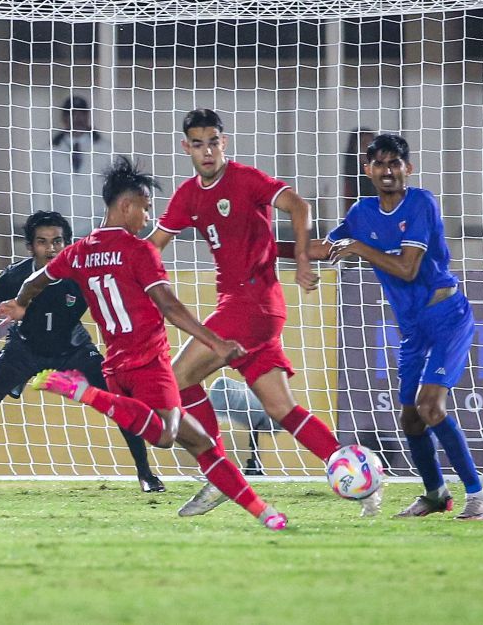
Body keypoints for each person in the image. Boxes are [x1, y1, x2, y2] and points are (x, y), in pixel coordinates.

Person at [0, 156, 288, 531]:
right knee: (167, 435)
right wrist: (216, 342)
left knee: (200, 443)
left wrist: (21, 303)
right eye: (146, 209)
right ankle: (83, 392)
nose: (149, 219)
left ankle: (267, 514)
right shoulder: (139, 251)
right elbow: (169, 306)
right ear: (127, 205)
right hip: (149, 365)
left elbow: (36, 279)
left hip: (116, 369)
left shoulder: (79, 251)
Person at [147, 109, 381, 517]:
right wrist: (117, 261)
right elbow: (155, 244)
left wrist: (305, 258)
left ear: (225, 142)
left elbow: (299, 205)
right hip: (249, 309)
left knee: (176, 378)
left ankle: (218, 476)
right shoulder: (187, 194)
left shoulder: (246, 179)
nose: (207, 151)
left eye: (214, 142)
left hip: (251, 303)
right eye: (198, 144)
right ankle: (365, 483)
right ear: (186, 147)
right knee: (281, 409)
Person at [310, 133, 483, 520]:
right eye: (379, 164)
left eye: (395, 163)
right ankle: (435, 494)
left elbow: (408, 268)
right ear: (367, 170)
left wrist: (359, 248)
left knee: (430, 406)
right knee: (410, 417)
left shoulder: (421, 203)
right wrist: (261, 244)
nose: (387, 171)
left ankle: (478, 498)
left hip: (446, 318)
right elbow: (323, 249)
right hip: (412, 328)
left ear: (407, 168)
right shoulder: (361, 213)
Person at [0, 211, 163, 495]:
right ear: (30, 247)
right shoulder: (16, 276)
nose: (51, 248)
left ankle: (146, 474)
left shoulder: (82, 275)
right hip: (25, 349)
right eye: (42, 242)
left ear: (68, 244)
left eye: (57, 241)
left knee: (119, 401)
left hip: (72, 349)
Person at [31, 94, 114, 235]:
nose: (77, 119)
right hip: (60, 229)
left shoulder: (108, 151)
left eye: (82, 114)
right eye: (73, 114)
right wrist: (38, 227)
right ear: (64, 118)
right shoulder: (46, 154)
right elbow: (39, 195)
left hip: (98, 228)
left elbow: (117, 192)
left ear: (88, 116)